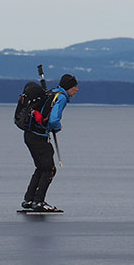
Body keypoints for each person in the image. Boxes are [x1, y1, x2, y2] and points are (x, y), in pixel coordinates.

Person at [21, 74, 79, 212]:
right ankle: (39, 202)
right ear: (69, 87)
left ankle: (29, 200)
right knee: (50, 169)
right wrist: (57, 127)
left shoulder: (52, 92)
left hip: (29, 135)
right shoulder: (61, 97)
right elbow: (53, 120)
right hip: (39, 137)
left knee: (41, 168)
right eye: (75, 87)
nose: (77, 90)